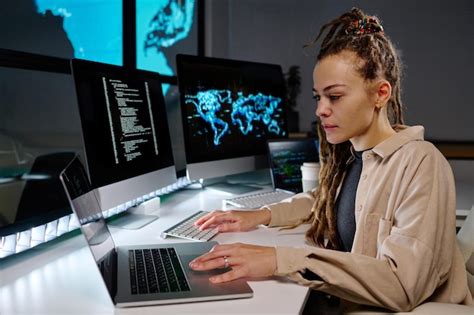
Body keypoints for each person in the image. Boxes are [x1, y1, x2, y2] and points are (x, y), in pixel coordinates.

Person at [189, 7, 472, 312]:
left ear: (381, 93)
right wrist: (261, 215)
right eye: (318, 97)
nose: (320, 109)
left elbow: (403, 284)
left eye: (334, 97)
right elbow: (323, 200)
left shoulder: (421, 163)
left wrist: (279, 259)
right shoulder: (352, 156)